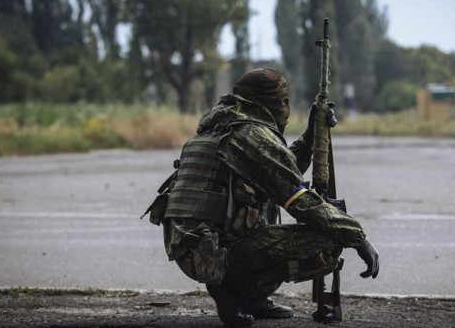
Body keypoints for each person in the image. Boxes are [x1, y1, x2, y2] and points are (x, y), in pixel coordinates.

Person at [159, 68, 379, 327]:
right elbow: (300, 200)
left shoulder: (220, 126)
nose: (285, 107)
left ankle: (245, 295)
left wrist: (311, 133)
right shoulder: (251, 134)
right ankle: (236, 291)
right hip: (213, 254)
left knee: (268, 197)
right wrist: (357, 236)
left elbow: (281, 172)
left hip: (191, 247)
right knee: (328, 239)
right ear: (273, 103)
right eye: (283, 101)